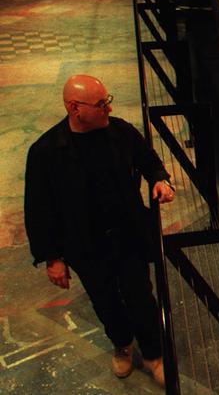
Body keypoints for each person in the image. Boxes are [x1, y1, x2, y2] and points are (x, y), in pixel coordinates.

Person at [24, 74, 176, 387]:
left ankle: (153, 354)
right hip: (85, 245)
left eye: (108, 100)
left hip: (127, 235)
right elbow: (39, 210)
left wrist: (160, 179)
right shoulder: (46, 152)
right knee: (105, 300)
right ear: (74, 108)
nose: (107, 108)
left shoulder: (120, 132)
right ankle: (122, 344)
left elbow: (147, 159)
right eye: (100, 104)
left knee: (141, 298)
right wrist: (52, 258)